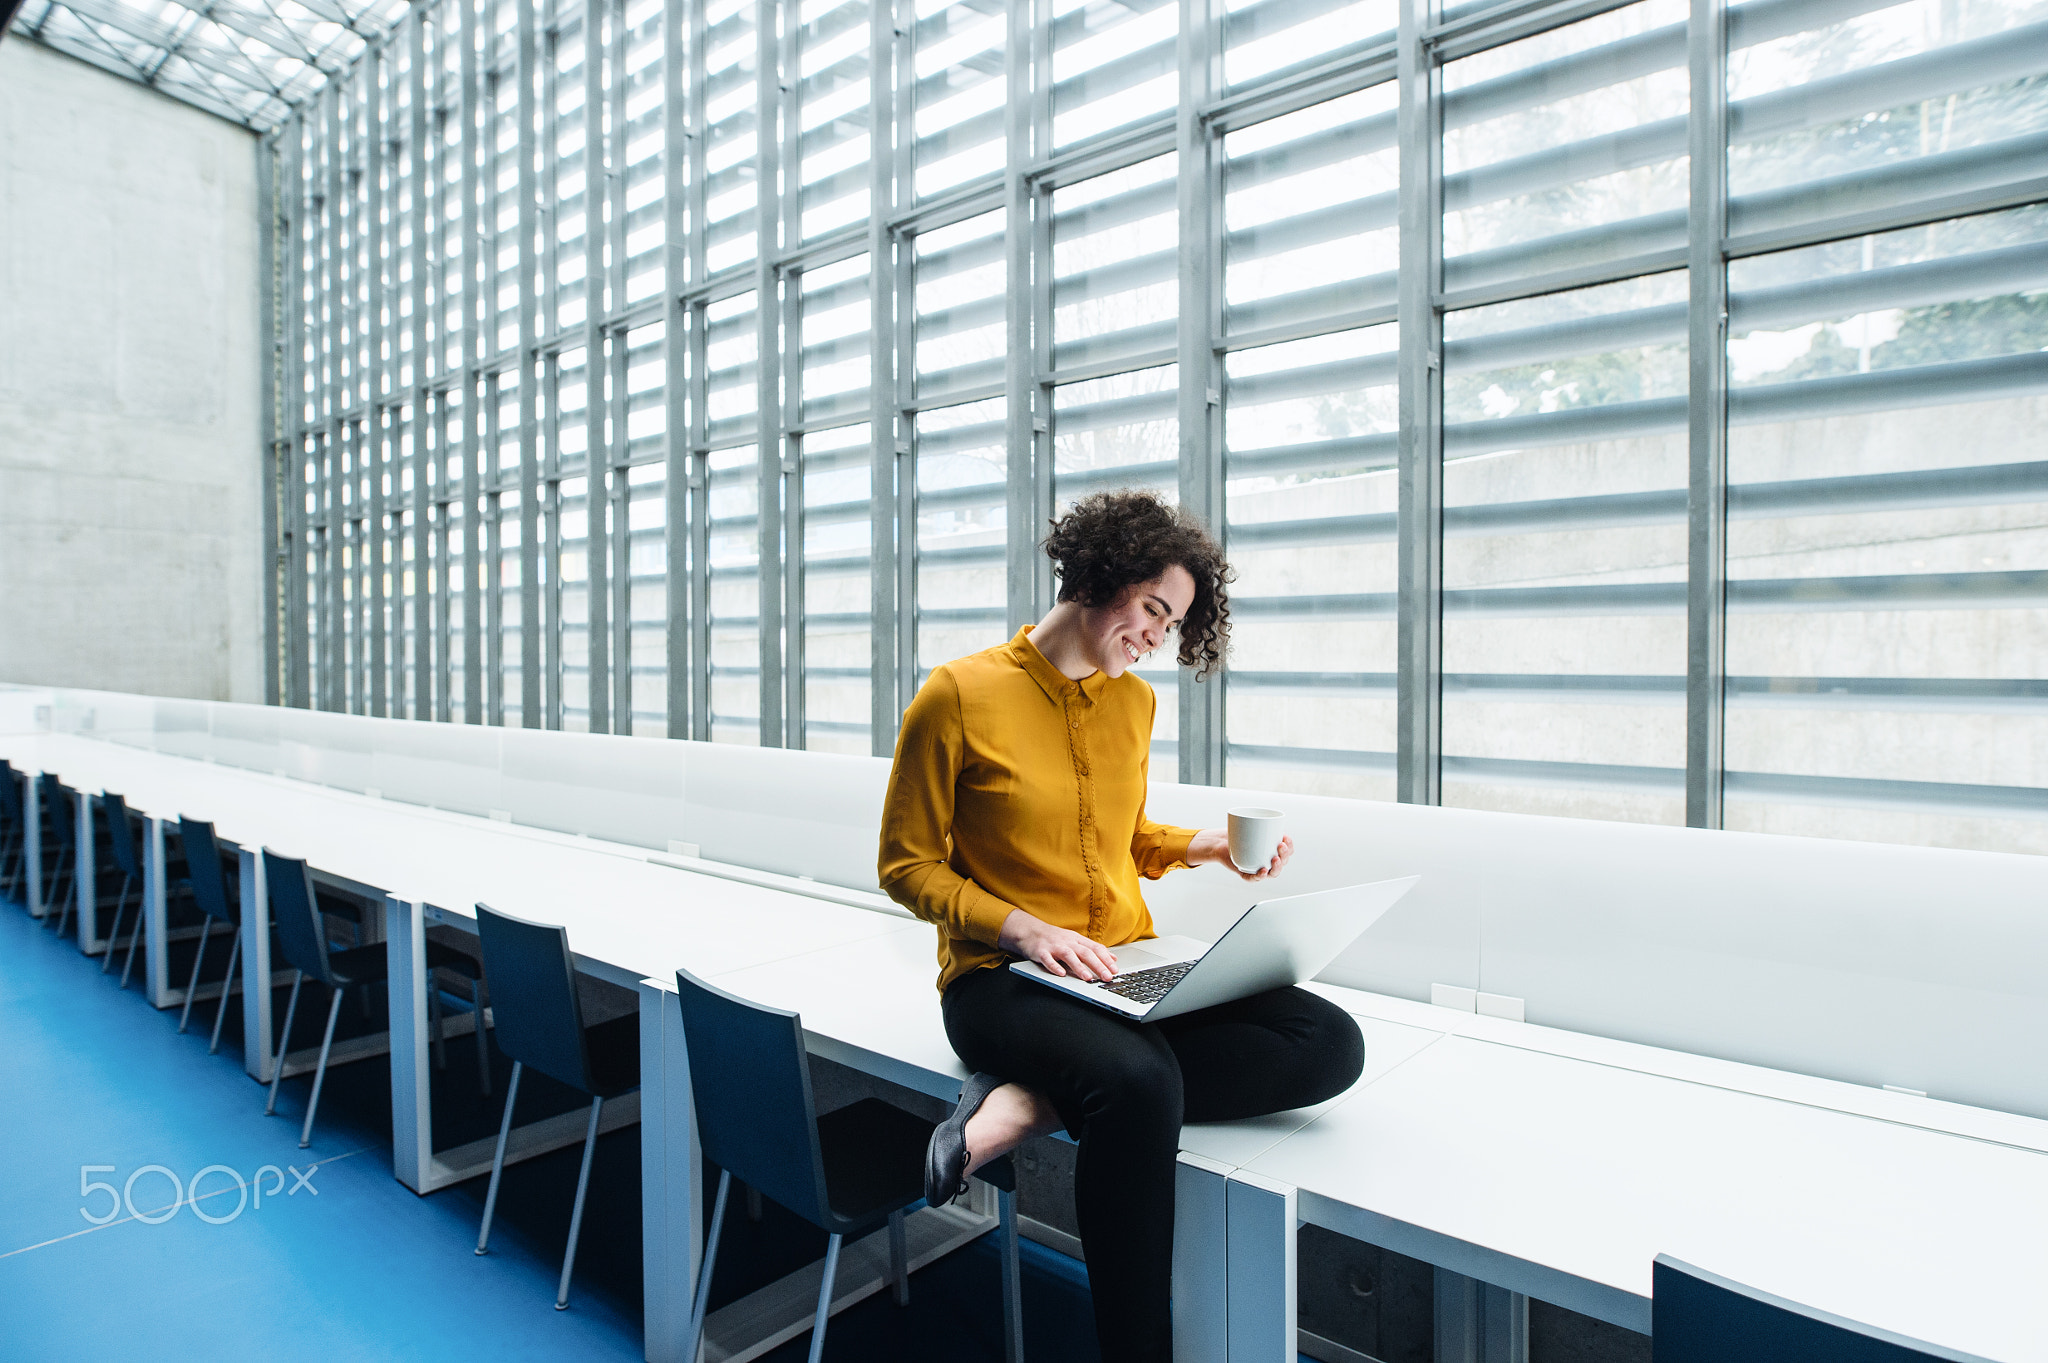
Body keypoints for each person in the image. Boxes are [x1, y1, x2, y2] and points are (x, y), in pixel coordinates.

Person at [877, 489, 1366, 1362]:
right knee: (1138, 1086)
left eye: (1171, 622)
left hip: (1119, 961)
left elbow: (1123, 836)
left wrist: (1206, 846)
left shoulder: (1133, 707)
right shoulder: (956, 695)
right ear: (1102, 572)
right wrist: (1021, 928)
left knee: (1328, 1038)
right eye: (1151, 608)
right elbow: (905, 866)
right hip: (998, 979)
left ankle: (1025, 1103)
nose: (1155, 635)